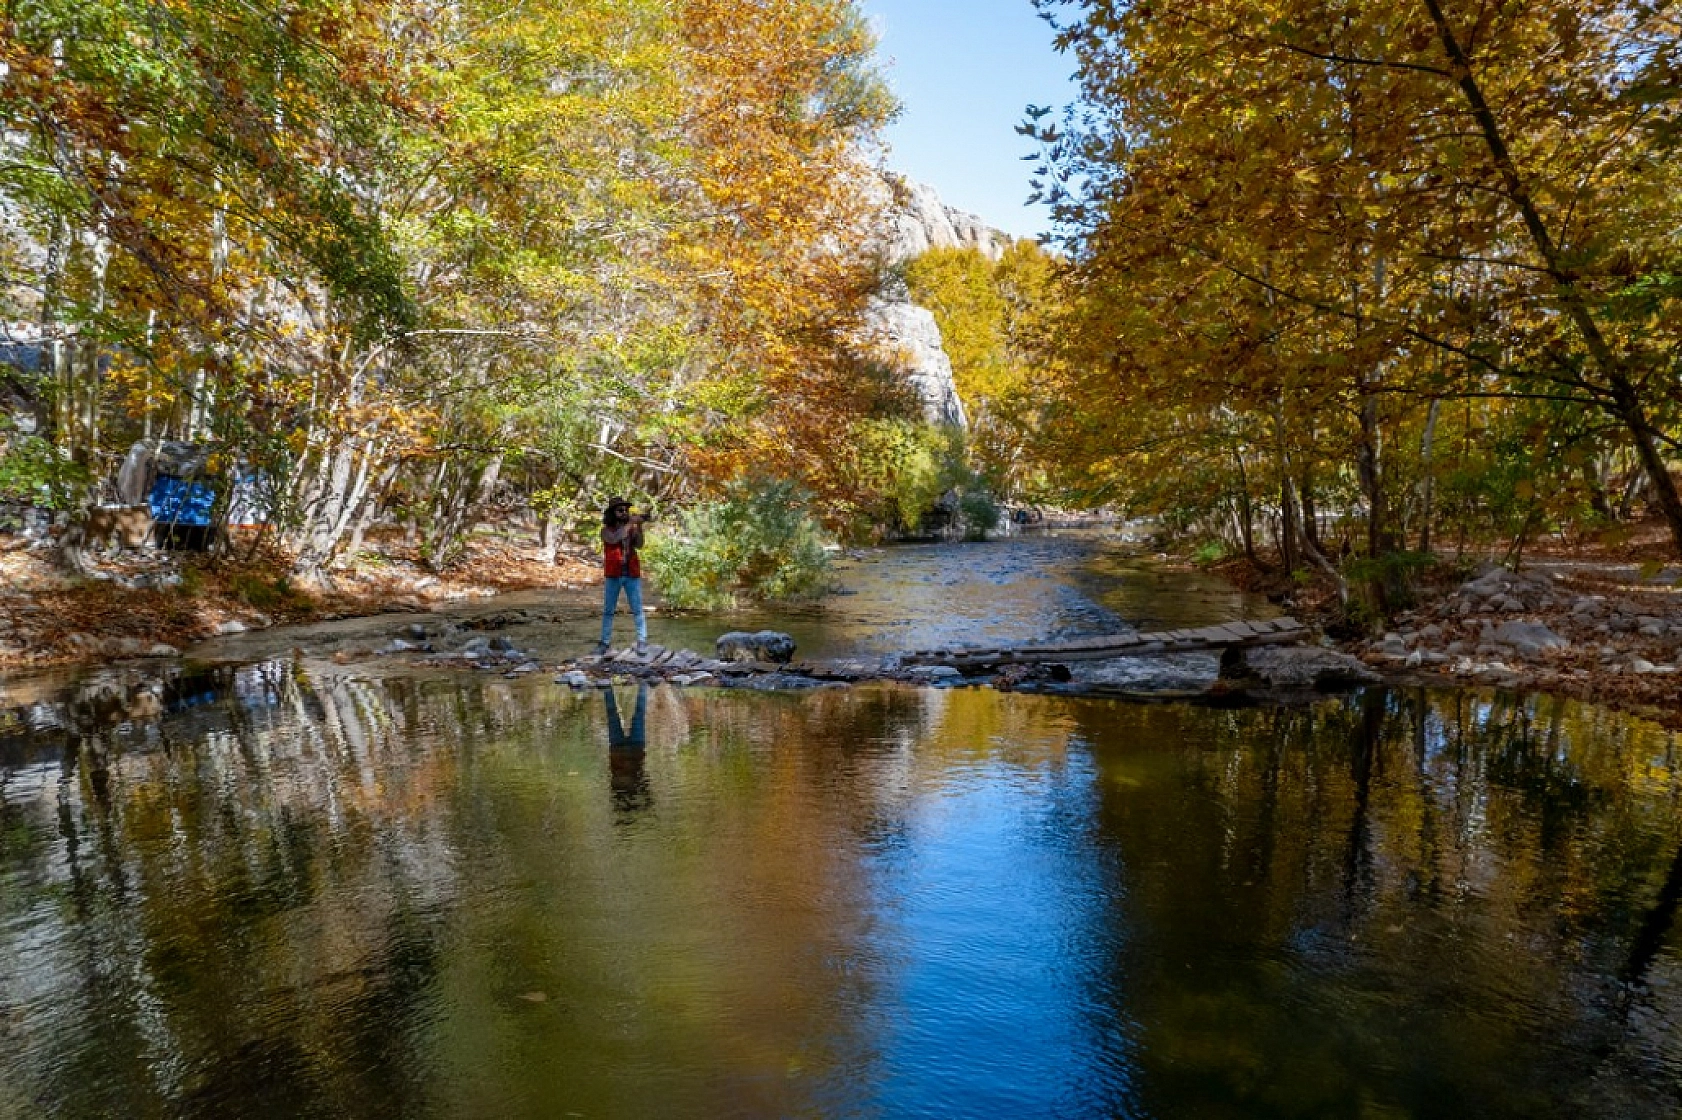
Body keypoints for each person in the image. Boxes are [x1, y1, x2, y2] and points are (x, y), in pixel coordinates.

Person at [597, 496, 648, 655]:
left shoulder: (630, 527)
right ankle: (604, 643)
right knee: (608, 611)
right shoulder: (605, 531)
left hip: (632, 573)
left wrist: (639, 526)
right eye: (620, 510)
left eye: (626, 510)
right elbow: (614, 539)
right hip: (613, 575)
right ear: (612, 513)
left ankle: (642, 641)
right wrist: (630, 523)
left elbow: (639, 544)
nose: (624, 512)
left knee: (637, 609)